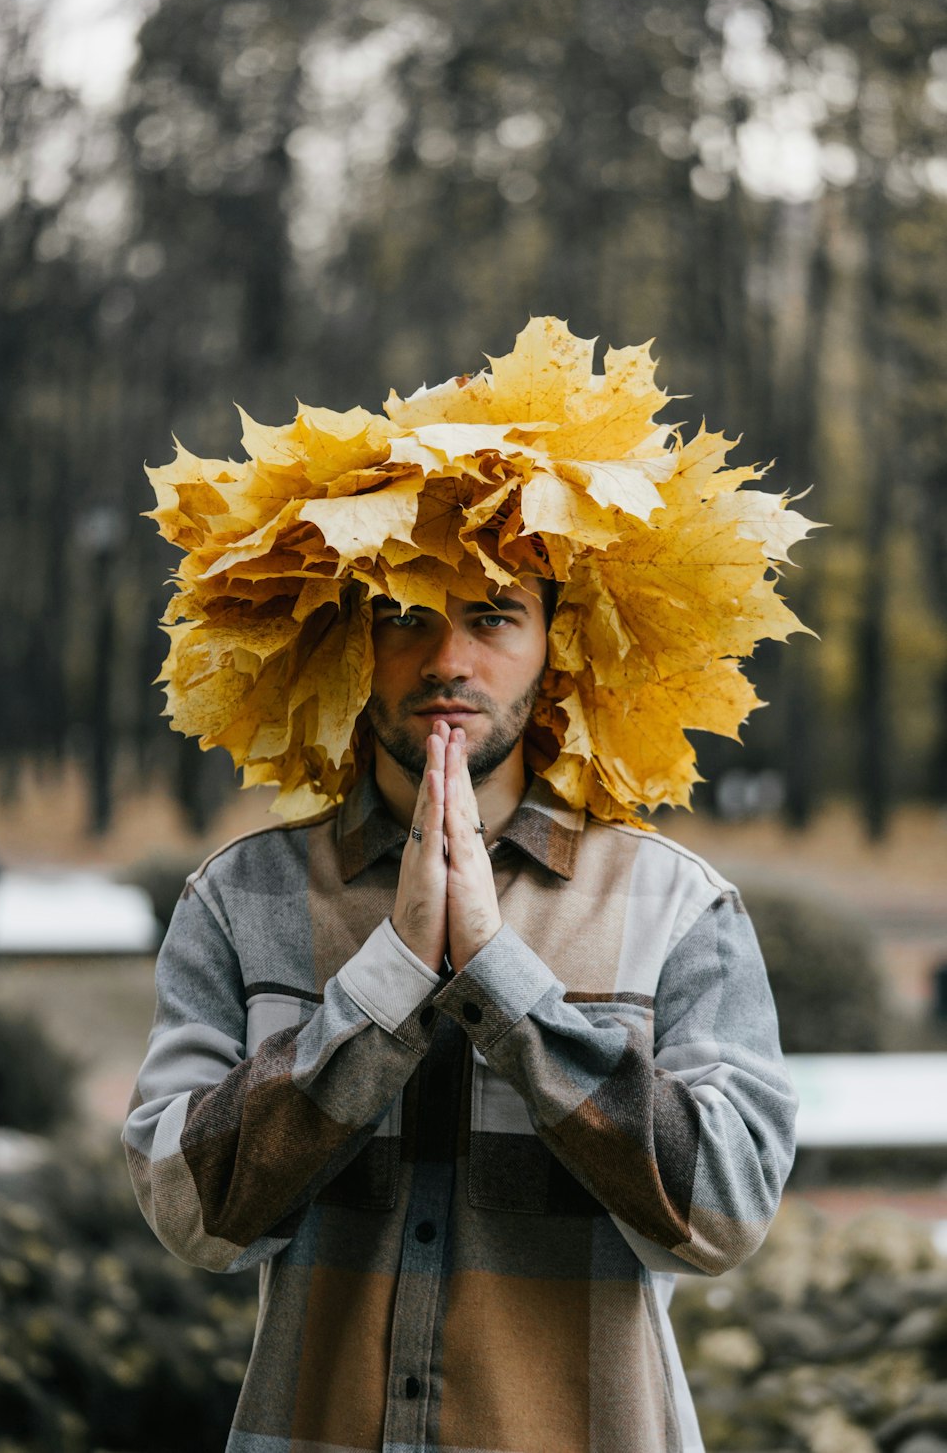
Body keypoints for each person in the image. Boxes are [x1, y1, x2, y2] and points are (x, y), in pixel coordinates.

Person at [124, 573, 798, 1453]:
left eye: (492, 619)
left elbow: (727, 1214)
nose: (448, 660)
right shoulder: (241, 898)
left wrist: (503, 984)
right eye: (402, 618)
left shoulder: (674, 904)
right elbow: (188, 1215)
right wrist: (390, 979)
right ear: (348, 648)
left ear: (556, 646)